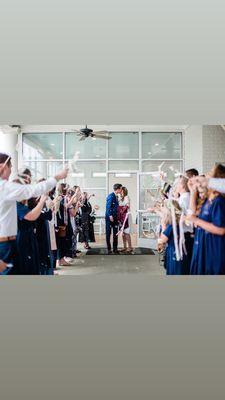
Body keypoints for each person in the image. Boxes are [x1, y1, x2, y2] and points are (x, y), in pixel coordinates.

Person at [0, 152, 68, 275]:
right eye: (10, 167)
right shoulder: (5, 188)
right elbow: (33, 199)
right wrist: (57, 177)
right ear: (2, 167)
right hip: (7, 242)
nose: (10, 171)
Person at [187, 164, 225, 275]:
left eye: (210, 173)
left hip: (214, 249)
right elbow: (192, 213)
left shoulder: (219, 201)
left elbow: (221, 229)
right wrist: (193, 191)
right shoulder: (208, 200)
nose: (207, 175)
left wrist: (196, 221)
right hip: (203, 245)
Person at [105, 183, 122, 255]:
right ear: (117, 189)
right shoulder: (111, 196)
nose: (121, 190)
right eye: (121, 188)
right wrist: (110, 216)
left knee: (115, 233)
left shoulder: (116, 196)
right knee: (108, 233)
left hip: (115, 218)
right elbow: (108, 207)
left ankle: (115, 249)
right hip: (110, 218)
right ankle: (109, 249)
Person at [117, 187, 133, 254]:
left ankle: (130, 247)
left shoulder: (126, 197)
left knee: (127, 232)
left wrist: (121, 209)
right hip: (121, 217)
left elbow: (127, 206)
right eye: (120, 191)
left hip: (126, 216)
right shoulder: (120, 198)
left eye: (122, 191)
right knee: (123, 233)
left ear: (124, 191)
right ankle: (124, 247)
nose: (121, 192)